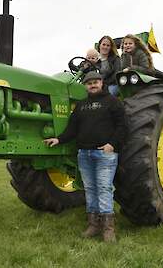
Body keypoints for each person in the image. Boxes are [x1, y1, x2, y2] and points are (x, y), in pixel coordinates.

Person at [44, 71, 126, 243]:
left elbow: (122, 126)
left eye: (96, 82)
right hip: (84, 154)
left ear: (102, 83)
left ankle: (108, 229)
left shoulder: (113, 102)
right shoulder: (81, 105)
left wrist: (112, 145)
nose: (93, 85)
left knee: (104, 189)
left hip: (104, 154)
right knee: (90, 189)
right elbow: (72, 128)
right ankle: (93, 225)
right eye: (89, 83)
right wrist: (59, 139)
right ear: (85, 86)